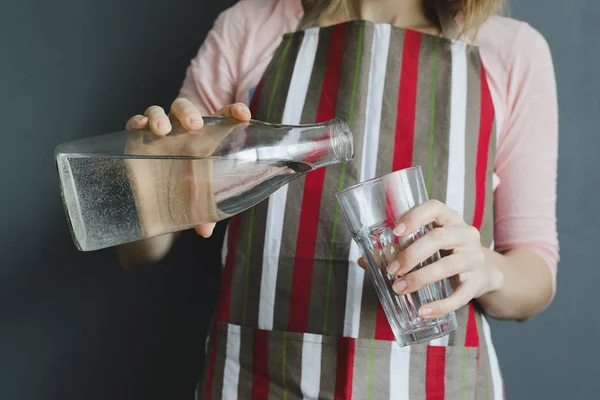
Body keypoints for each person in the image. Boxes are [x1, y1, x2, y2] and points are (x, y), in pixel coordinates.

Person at [118, 0, 559, 398]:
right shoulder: (251, 27)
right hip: (260, 380)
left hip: (436, 382)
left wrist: (489, 271)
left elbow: (535, 274)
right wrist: (149, 193)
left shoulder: (512, 52)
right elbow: (137, 252)